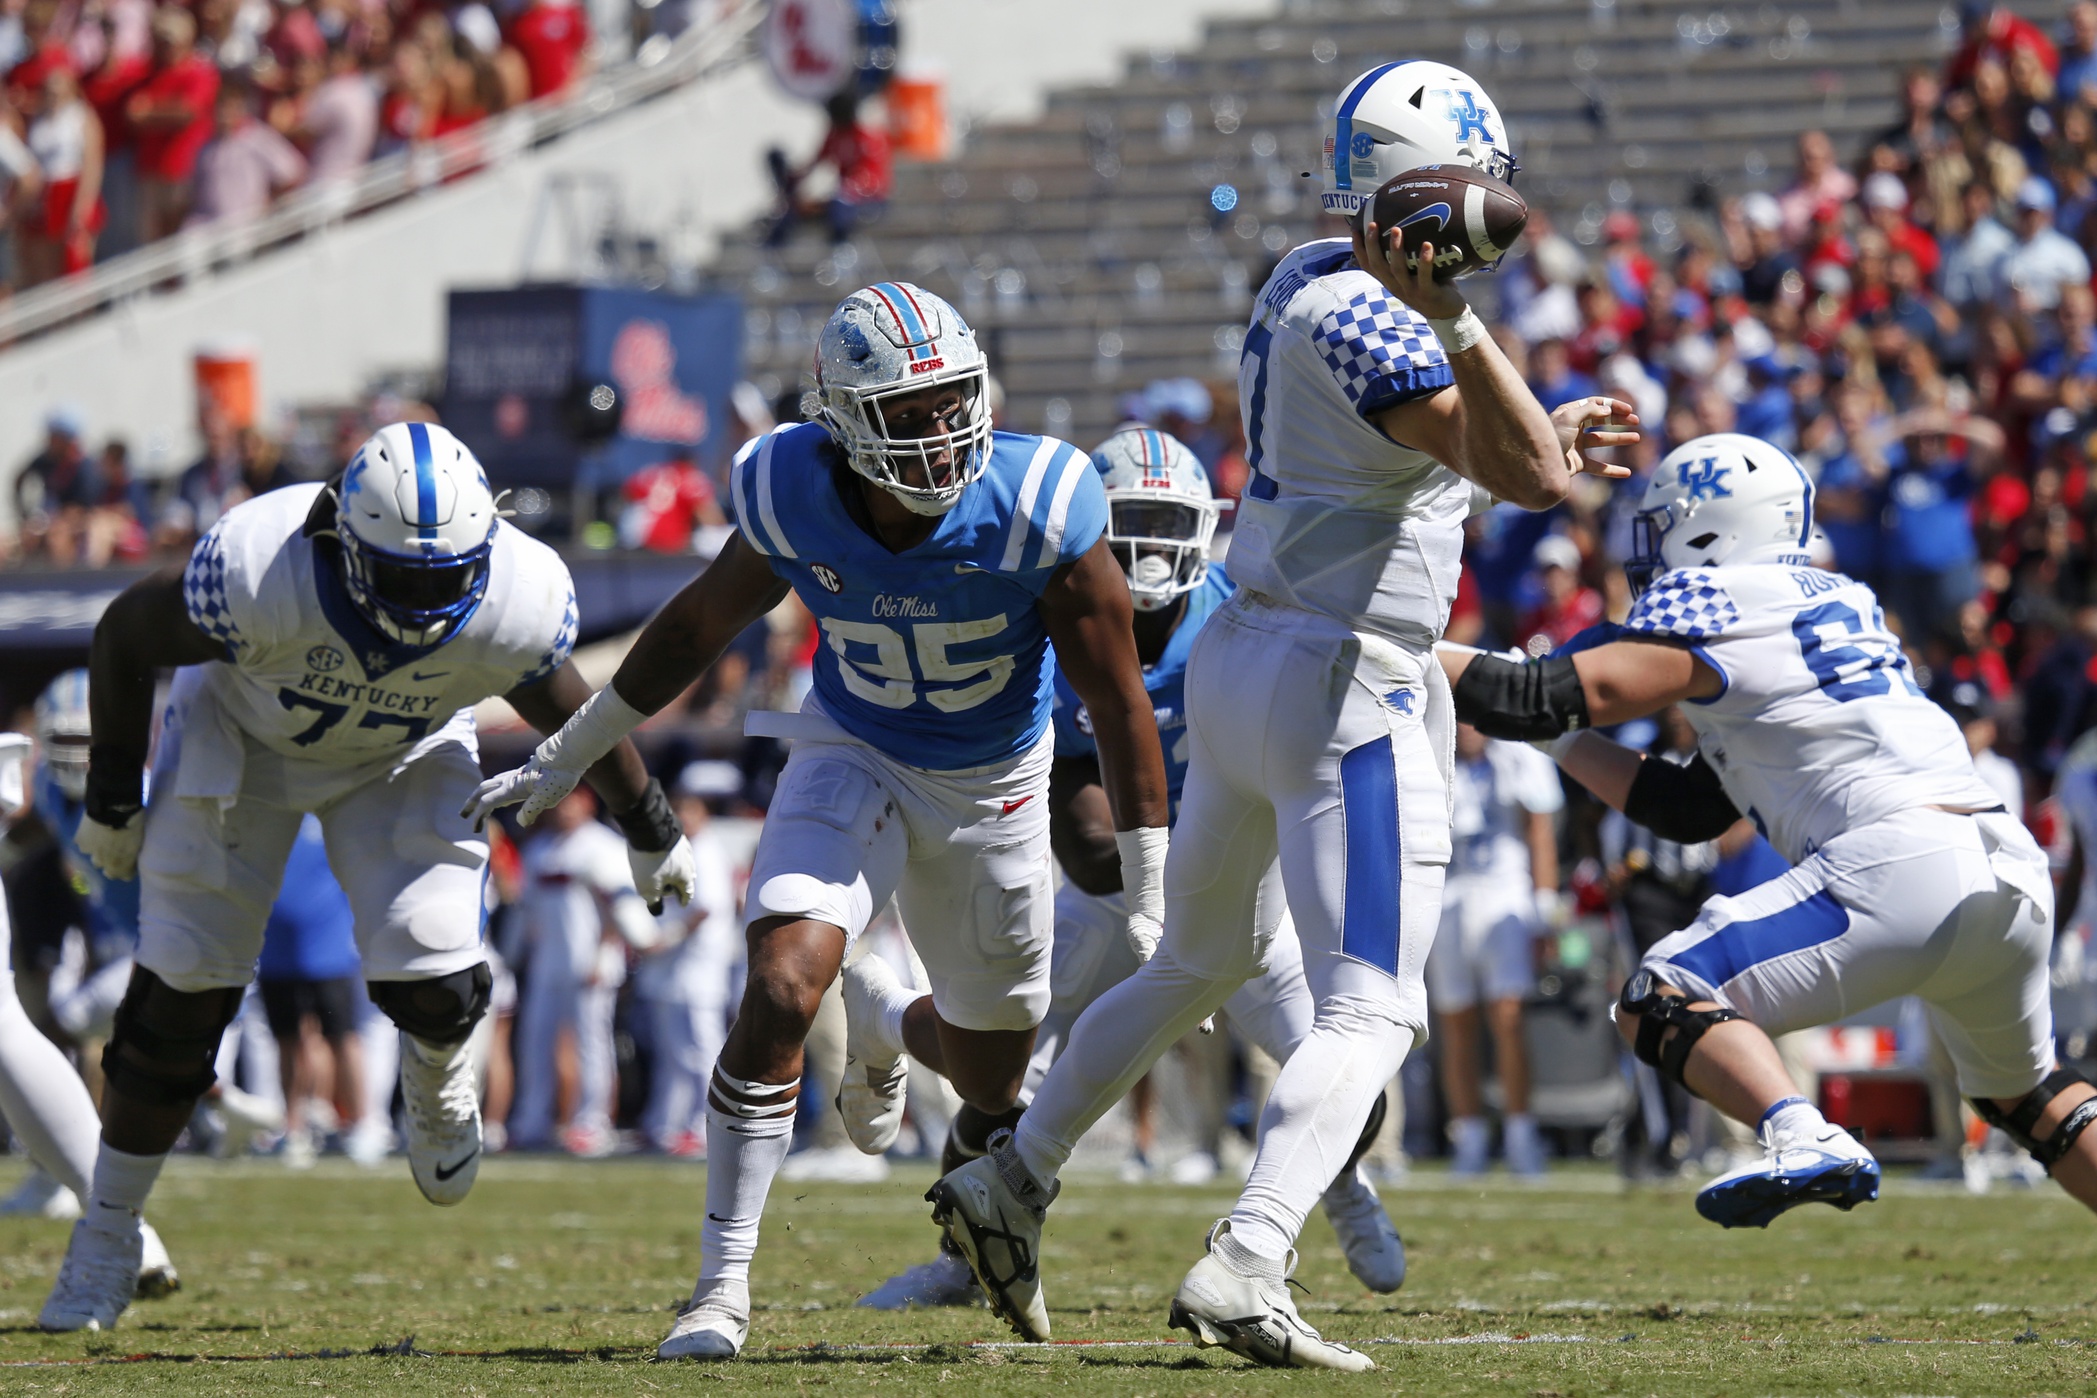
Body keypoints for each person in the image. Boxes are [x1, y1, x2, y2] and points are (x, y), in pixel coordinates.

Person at [925, 61, 1634, 1372]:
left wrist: (1512, 404)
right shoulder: (1383, 320)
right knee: (1370, 1008)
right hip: (1344, 685)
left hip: (1250, 653)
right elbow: (1529, 473)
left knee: (1189, 961)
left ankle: (1010, 1176)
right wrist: (1474, 334)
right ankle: (1249, 1254)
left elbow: (1396, 474)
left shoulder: (1305, 273)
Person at [465, 280, 1170, 1361]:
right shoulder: (790, 485)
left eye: (953, 401)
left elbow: (1120, 702)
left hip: (998, 786)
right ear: (843, 422)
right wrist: (567, 748)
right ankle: (720, 1288)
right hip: (854, 749)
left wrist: (1150, 896)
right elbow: (697, 622)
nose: (943, 434)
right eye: (910, 412)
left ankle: (888, 1026)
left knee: (991, 1081)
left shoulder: (1042, 497)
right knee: (784, 981)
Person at [36, 420, 697, 1333]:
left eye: (447, 577)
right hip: (243, 740)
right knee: (177, 998)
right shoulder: (257, 568)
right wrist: (114, 793)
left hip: (404, 751)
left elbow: (571, 712)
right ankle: (106, 1234)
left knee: (434, 966)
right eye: (402, 576)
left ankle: (435, 1069)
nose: (426, 602)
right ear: (337, 540)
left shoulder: (519, 592)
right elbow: (123, 634)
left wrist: (650, 826)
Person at [1438, 432, 2082, 1235]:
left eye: (1663, 524)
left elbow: (1542, 690)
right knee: (2032, 1097)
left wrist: (1404, 653)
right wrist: (1557, 741)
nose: (1649, 549)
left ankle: (1800, 1133)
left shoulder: (1721, 597)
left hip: (1899, 859)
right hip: (2003, 866)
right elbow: (1690, 810)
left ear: (1710, 529)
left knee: (1659, 995)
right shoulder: (1832, 598)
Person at [859, 426, 1405, 1311]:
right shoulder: (1051, 613)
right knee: (1002, 1077)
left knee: (1337, 1065)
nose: (1149, 549)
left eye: (1165, 524)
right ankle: (965, 1260)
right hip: (1113, 892)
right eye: (1130, 525)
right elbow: (1081, 821)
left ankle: (1339, 1183)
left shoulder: (1241, 611)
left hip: (1232, 884)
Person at [0, 684, 181, 1303]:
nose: (78, 754)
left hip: (171, 943)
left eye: (88, 738)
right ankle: (106, 1210)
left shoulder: (156, 792)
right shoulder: (49, 791)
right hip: (130, 943)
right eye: (68, 738)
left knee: (36, 1024)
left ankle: (103, 1208)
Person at [1426, 721, 1562, 1177]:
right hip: (1448, 897)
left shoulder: (1515, 754)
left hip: (1504, 892)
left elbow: (1539, 828)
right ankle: (1470, 1137)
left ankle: (1521, 1134)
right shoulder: (1432, 750)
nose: (1464, 727)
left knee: (1507, 1017)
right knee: (1456, 1020)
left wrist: (1545, 910)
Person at [507, 785, 660, 1157]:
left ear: (587, 803)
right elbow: (525, 911)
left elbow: (619, 908)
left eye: (569, 801)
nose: (562, 810)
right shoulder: (540, 847)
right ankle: (533, 1120)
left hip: (589, 963)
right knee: (535, 1044)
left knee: (593, 1046)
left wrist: (604, 956)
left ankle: (592, 1123)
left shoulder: (601, 845)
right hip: (547, 964)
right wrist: (515, 957)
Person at [634, 766, 743, 1157]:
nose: (680, 818)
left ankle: (706, 1125)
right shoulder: (678, 850)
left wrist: (664, 940)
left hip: (699, 969)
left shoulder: (707, 851)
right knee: (672, 1051)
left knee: (702, 1050)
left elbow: (706, 910)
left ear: (703, 814)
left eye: (687, 810)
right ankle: (665, 1123)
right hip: (673, 971)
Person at [256, 815, 373, 1168]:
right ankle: (293, 1128)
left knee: (343, 1038)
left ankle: (362, 1126)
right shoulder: (266, 813)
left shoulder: (332, 815)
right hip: (275, 949)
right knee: (287, 1039)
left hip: (330, 949)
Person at [764, 88, 892, 248]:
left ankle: (840, 246)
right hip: (843, 195)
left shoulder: (867, 138)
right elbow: (815, 162)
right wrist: (796, 183)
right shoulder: (834, 135)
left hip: (869, 200)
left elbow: (870, 180)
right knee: (790, 208)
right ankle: (773, 248)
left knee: (840, 203)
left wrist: (835, 193)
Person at [22, 65, 104, 282]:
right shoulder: (38, 120)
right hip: (46, 194)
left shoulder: (81, 116)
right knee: (48, 269)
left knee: (77, 262)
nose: (53, 96)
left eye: (58, 91)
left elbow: (92, 164)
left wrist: (81, 206)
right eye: (48, 91)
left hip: (72, 190)